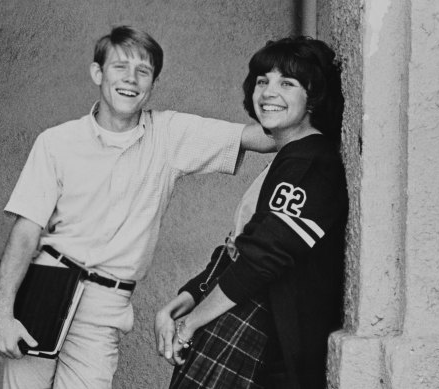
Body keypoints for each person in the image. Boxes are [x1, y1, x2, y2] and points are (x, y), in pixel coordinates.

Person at [0, 25, 274, 389]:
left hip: (106, 305)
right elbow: (25, 232)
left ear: (153, 83)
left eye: (144, 71)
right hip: (44, 286)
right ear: (97, 73)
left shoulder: (168, 135)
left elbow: (255, 137)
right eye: (120, 67)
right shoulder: (56, 142)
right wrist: (1, 312)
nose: (131, 79)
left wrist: (307, 122)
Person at [155, 36, 347, 388]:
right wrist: (189, 296)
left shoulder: (312, 162)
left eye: (287, 83)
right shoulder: (289, 155)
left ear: (313, 96)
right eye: (263, 81)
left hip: (267, 344)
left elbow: (262, 259)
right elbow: (240, 248)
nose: (268, 92)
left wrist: (192, 323)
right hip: (242, 322)